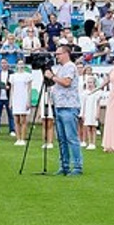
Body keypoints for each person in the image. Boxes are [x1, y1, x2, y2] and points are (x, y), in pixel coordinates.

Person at [48, 44, 83, 175]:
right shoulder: (61, 68)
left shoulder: (70, 67)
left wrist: (52, 77)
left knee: (71, 138)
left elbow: (67, 82)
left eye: (58, 54)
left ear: (66, 54)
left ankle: (77, 165)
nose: (56, 56)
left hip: (69, 106)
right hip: (59, 105)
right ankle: (64, 165)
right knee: (62, 139)